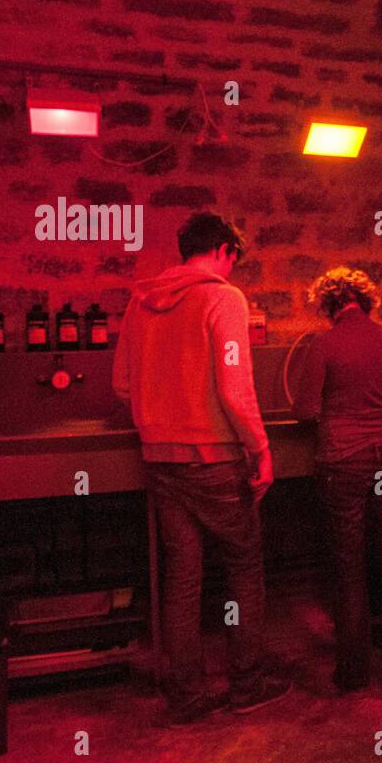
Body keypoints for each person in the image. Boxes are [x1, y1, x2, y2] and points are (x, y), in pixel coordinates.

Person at [113, 212, 291, 725]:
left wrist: (160, 410)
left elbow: (122, 385)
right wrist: (260, 449)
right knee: (244, 565)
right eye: (234, 258)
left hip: (160, 459)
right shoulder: (222, 298)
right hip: (213, 458)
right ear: (223, 250)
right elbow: (235, 390)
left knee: (182, 575)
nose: (233, 269)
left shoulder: (140, 302)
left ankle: (187, 691)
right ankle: (247, 681)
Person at [292, 267, 382, 692]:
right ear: (366, 301)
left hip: (342, 462)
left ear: (330, 304)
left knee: (348, 562)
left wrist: (339, 413)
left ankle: (353, 670)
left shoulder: (323, 344)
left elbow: (305, 411)